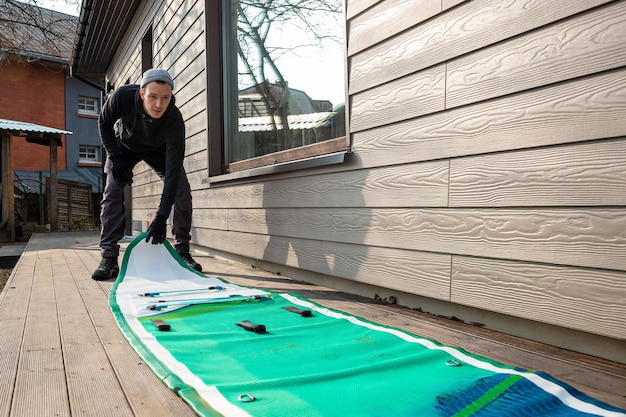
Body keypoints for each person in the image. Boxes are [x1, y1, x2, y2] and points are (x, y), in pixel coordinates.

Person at [92, 68, 202, 280]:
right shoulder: (122, 96)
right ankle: (109, 257)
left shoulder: (174, 121)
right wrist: (115, 157)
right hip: (123, 147)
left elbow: (172, 173)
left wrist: (161, 216)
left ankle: (182, 252)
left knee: (182, 192)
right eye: (153, 97)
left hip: (158, 151)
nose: (159, 104)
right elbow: (103, 123)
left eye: (165, 98)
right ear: (142, 94)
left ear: (171, 96)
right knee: (113, 191)